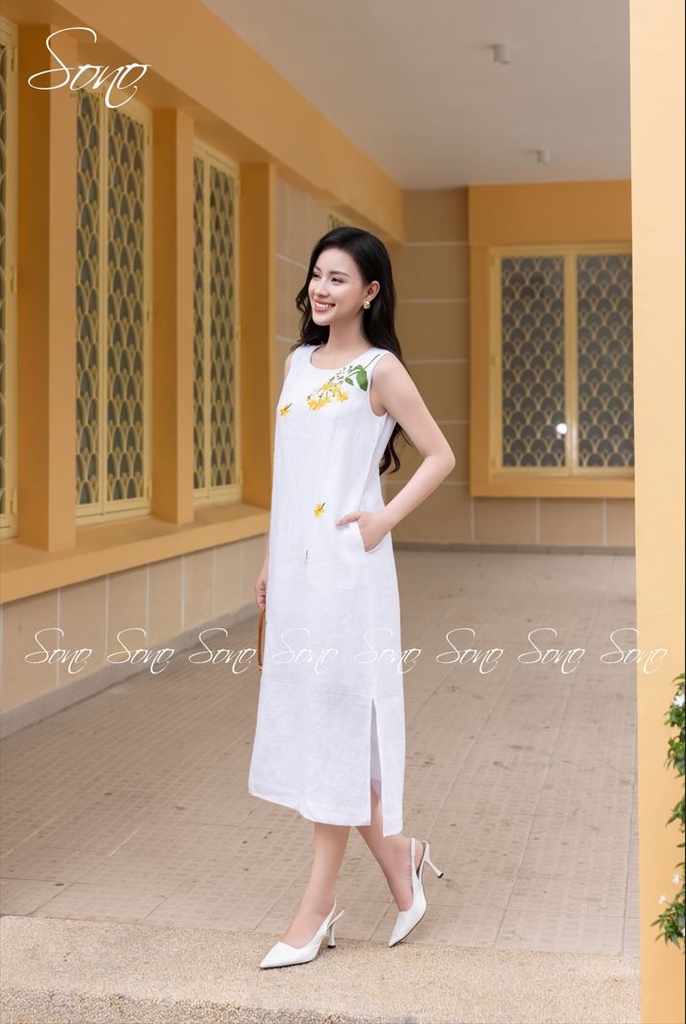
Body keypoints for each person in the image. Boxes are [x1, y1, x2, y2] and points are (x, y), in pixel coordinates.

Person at [249, 227, 455, 969]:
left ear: (370, 292)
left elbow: (440, 454)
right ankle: (402, 858)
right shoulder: (297, 363)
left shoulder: (380, 370)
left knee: (336, 727)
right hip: (297, 573)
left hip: (347, 572)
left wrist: (382, 519)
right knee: (319, 724)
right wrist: (271, 558)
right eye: (317, 275)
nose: (322, 288)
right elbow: (290, 473)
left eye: (339, 278)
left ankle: (316, 909)